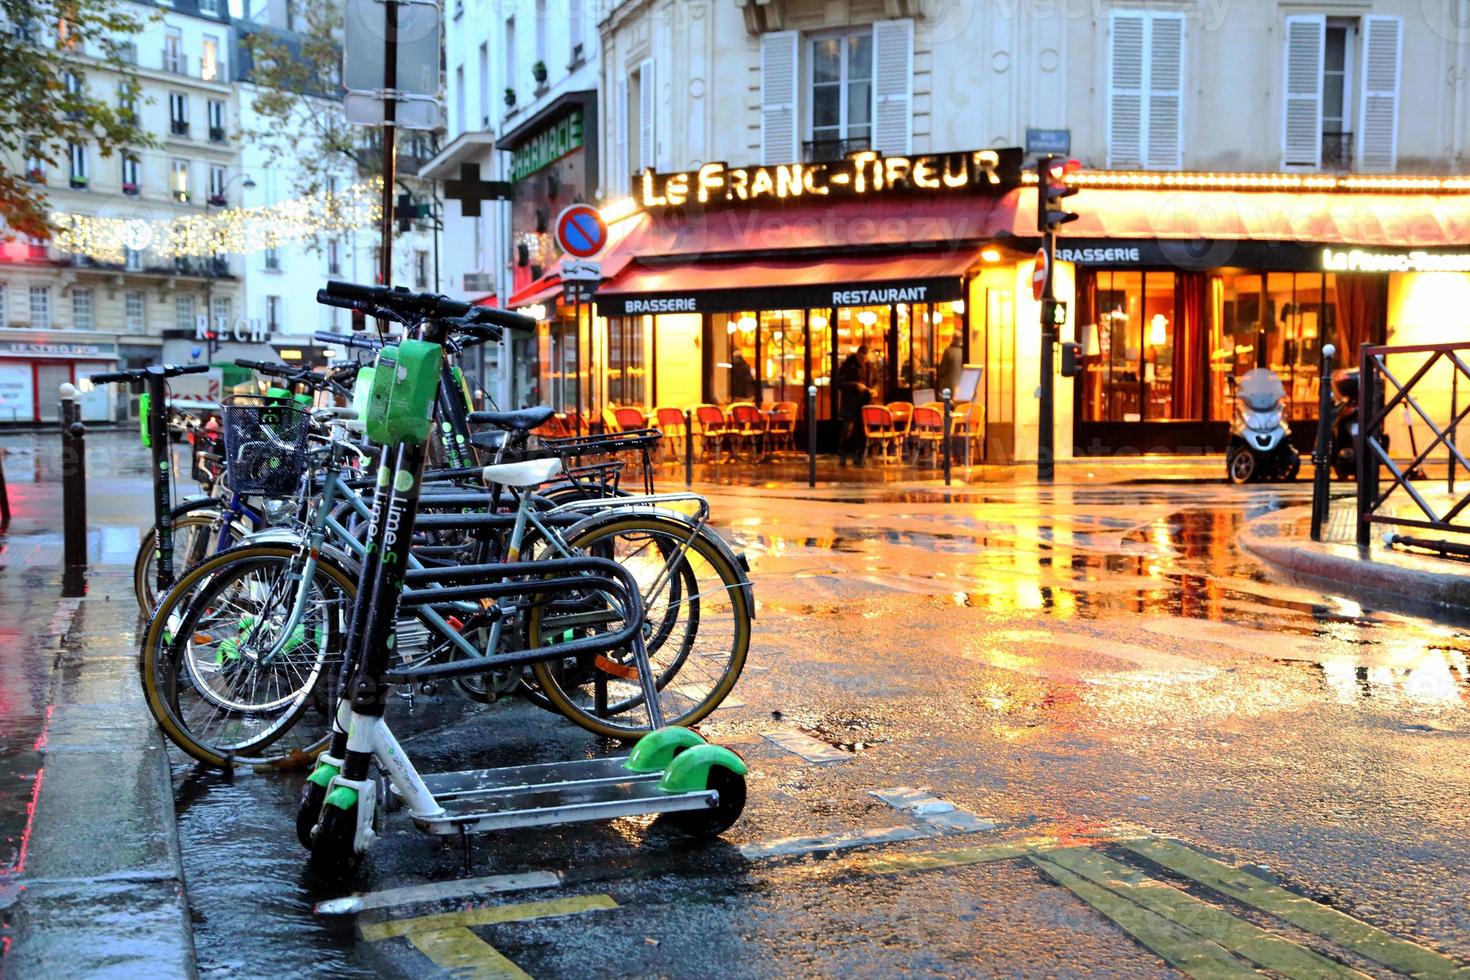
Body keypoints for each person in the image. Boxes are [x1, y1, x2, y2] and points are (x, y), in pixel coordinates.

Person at [837, 345, 874, 467]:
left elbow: (877, 380)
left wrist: (875, 390)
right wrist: (855, 385)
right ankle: (843, 454)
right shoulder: (848, 365)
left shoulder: (869, 366)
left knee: (861, 430)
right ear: (858, 355)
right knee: (848, 428)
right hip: (851, 403)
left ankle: (859, 455)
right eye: (862, 358)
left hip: (865, 402)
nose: (864, 361)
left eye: (866, 359)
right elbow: (839, 383)